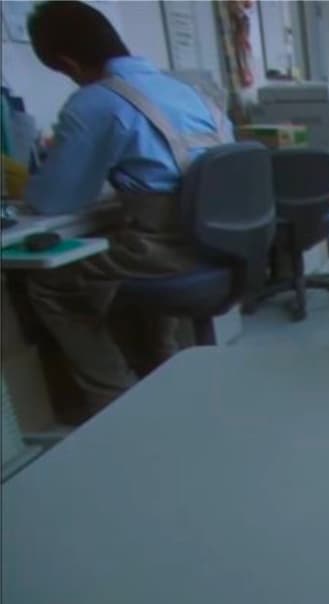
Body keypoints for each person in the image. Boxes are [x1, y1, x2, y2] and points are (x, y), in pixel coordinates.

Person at [21, 1, 233, 418]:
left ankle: (113, 401)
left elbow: (53, 200)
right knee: (129, 258)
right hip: (219, 245)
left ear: (69, 63)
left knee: (52, 283)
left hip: (169, 249)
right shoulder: (191, 93)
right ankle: (161, 363)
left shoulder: (95, 101)